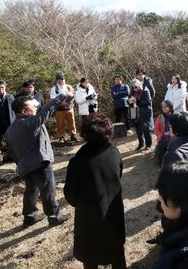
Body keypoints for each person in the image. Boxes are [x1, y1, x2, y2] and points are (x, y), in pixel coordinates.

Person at [64, 113, 126, 269]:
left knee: (90, 256)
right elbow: (119, 174)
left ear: (84, 134)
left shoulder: (76, 162)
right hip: (114, 213)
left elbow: (71, 196)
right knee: (118, 254)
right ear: (109, 132)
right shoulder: (115, 152)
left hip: (89, 218)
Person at [5, 94, 72, 227]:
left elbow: (12, 152)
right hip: (40, 164)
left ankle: (29, 217)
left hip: (24, 165)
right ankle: (54, 217)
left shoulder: (10, 129)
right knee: (48, 191)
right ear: (24, 111)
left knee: (31, 190)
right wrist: (62, 96)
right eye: (32, 106)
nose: (36, 108)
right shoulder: (30, 123)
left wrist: (19, 165)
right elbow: (47, 111)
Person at [49, 72, 78, 143]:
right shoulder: (53, 88)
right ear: (56, 80)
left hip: (69, 108)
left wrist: (67, 102)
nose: (60, 80)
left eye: (62, 79)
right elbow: (52, 98)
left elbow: (73, 96)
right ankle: (61, 137)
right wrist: (61, 103)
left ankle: (73, 135)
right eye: (59, 79)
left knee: (72, 122)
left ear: (64, 79)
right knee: (60, 124)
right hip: (59, 109)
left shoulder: (69, 87)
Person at [130, 78, 153, 150]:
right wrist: (130, 101)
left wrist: (137, 101)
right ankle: (141, 144)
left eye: (135, 87)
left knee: (146, 129)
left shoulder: (145, 91)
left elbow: (148, 102)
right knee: (138, 130)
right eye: (133, 87)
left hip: (144, 113)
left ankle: (148, 144)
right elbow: (131, 102)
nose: (134, 89)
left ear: (139, 85)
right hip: (135, 113)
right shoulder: (133, 93)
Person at [155, 100, 174, 165]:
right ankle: (161, 166)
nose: (164, 108)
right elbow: (156, 129)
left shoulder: (175, 116)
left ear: (170, 107)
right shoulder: (159, 117)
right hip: (162, 139)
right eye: (163, 107)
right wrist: (161, 136)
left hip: (172, 137)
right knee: (161, 154)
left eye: (166, 107)